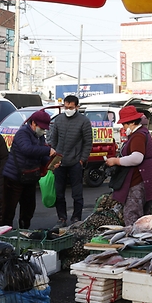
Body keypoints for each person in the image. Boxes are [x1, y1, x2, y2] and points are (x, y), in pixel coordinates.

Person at [2, 110, 57, 229]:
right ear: (33, 123)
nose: (43, 131)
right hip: (14, 177)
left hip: (30, 176)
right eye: (41, 127)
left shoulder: (40, 137)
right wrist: (47, 151)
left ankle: (24, 230)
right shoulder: (23, 133)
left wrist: (51, 162)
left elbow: (40, 156)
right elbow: (27, 149)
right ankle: (6, 233)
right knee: (9, 209)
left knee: (28, 209)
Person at [106, 105, 152, 225]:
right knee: (144, 216)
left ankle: (135, 239)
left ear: (131, 123)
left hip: (139, 179)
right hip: (146, 178)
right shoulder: (141, 133)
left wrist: (116, 161)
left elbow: (137, 158)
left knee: (133, 214)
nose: (123, 127)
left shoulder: (138, 136)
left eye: (124, 124)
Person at [48, 95, 92, 225]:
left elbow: (88, 143)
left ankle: (76, 217)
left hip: (75, 162)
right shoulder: (59, 120)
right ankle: (61, 217)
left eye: (71, 107)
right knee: (59, 193)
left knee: (77, 193)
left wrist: (82, 160)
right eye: (66, 107)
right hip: (59, 162)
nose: (68, 109)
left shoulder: (84, 121)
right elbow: (53, 140)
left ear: (77, 107)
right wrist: (54, 157)